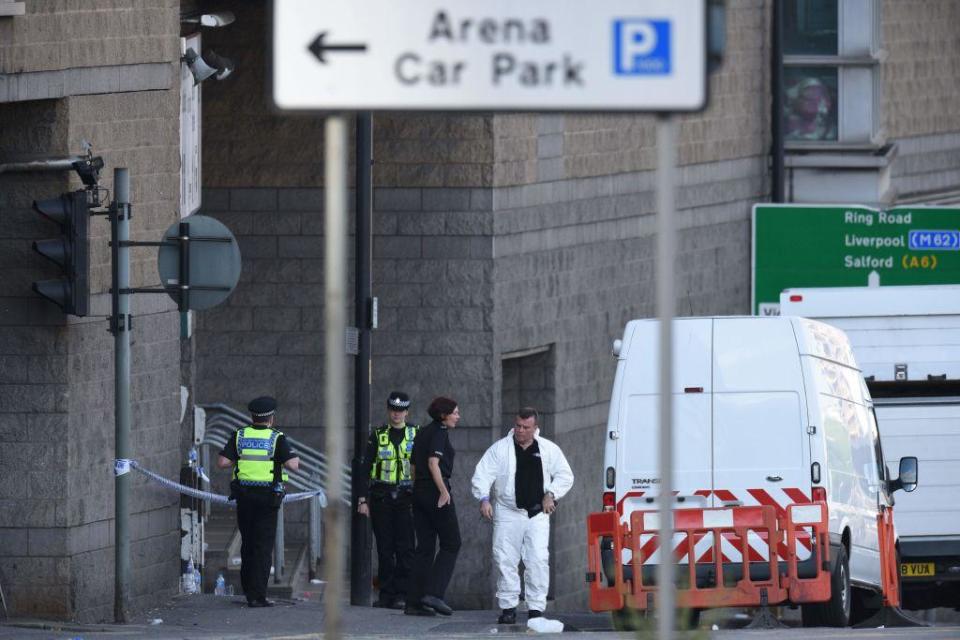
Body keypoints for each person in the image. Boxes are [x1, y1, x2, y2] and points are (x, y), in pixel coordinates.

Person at [471, 407, 574, 625]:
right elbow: (482, 474)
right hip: (508, 511)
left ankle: (536, 608)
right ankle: (508, 608)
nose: (520, 430)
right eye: (518, 425)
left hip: (537, 513)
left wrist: (551, 494)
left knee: (537, 559)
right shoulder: (500, 449)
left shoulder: (548, 449)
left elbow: (565, 475)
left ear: (535, 428)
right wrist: (484, 499)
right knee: (505, 559)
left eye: (526, 427)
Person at [217, 396, 300, 607]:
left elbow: (223, 462)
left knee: (248, 544)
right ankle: (258, 596)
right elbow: (293, 465)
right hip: (267, 499)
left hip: (244, 498)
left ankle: (248, 592)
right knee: (263, 546)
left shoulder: (240, 435)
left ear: (252, 416)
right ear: (271, 418)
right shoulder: (277, 438)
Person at [357, 391, 419, 609]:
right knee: (384, 548)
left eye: (401, 411)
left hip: (406, 498)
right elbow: (364, 469)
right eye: (393, 410)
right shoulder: (378, 435)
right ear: (388, 410)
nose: (397, 414)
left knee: (405, 548)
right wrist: (362, 499)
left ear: (406, 412)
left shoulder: (415, 433)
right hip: (381, 497)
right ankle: (386, 594)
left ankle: (402, 594)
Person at [404, 396, 462, 617]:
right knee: (452, 542)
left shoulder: (422, 432)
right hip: (436, 491)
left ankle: (414, 602)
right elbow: (432, 463)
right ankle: (434, 594)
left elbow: (413, 465)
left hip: (419, 491)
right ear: (443, 415)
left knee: (425, 548)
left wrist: (417, 490)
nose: (458, 416)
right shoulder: (439, 432)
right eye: (455, 412)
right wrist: (443, 491)